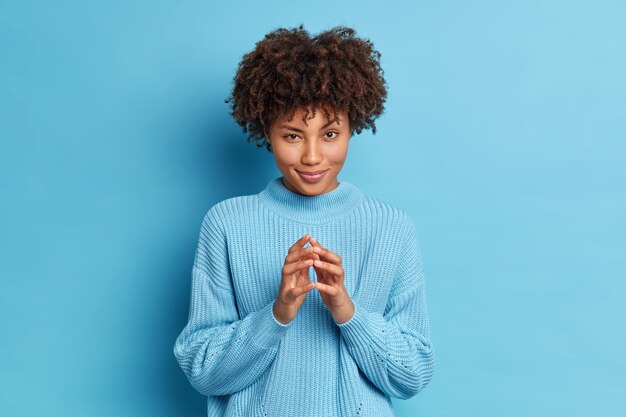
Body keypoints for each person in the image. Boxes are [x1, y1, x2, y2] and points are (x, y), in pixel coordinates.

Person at [173, 24, 435, 417]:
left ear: (352, 127)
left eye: (330, 134)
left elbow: (412, 374)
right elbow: (203, 369)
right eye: (293, 136)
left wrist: (347, 310)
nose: (312, 156)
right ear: (266, 131)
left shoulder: (391, 228)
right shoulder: (227, 224)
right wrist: (277, 313)